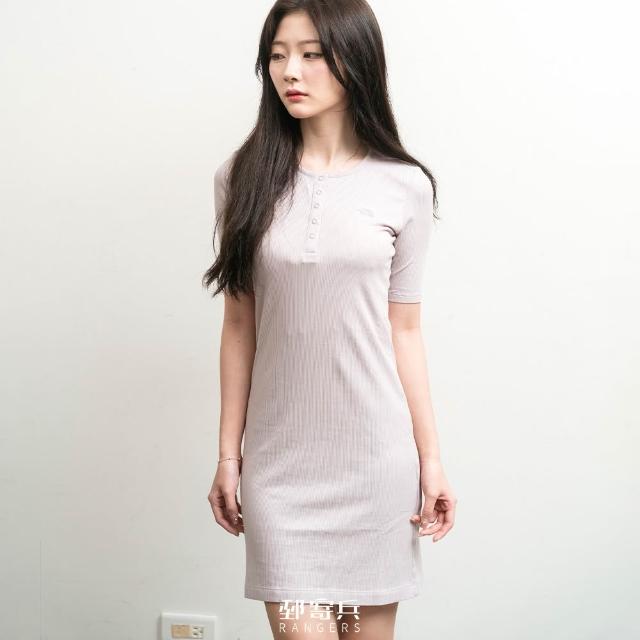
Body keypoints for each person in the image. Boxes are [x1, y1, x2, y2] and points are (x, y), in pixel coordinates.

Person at [203, 1, 457, 637]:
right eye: (278, 55)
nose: (290, 70)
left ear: (356, 59)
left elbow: (405, 330)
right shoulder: (241, 178)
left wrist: (430, 460)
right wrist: (229, 456)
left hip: (375, 465)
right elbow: (239, 326)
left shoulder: (404, 186)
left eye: (311, 53)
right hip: (280, 470)